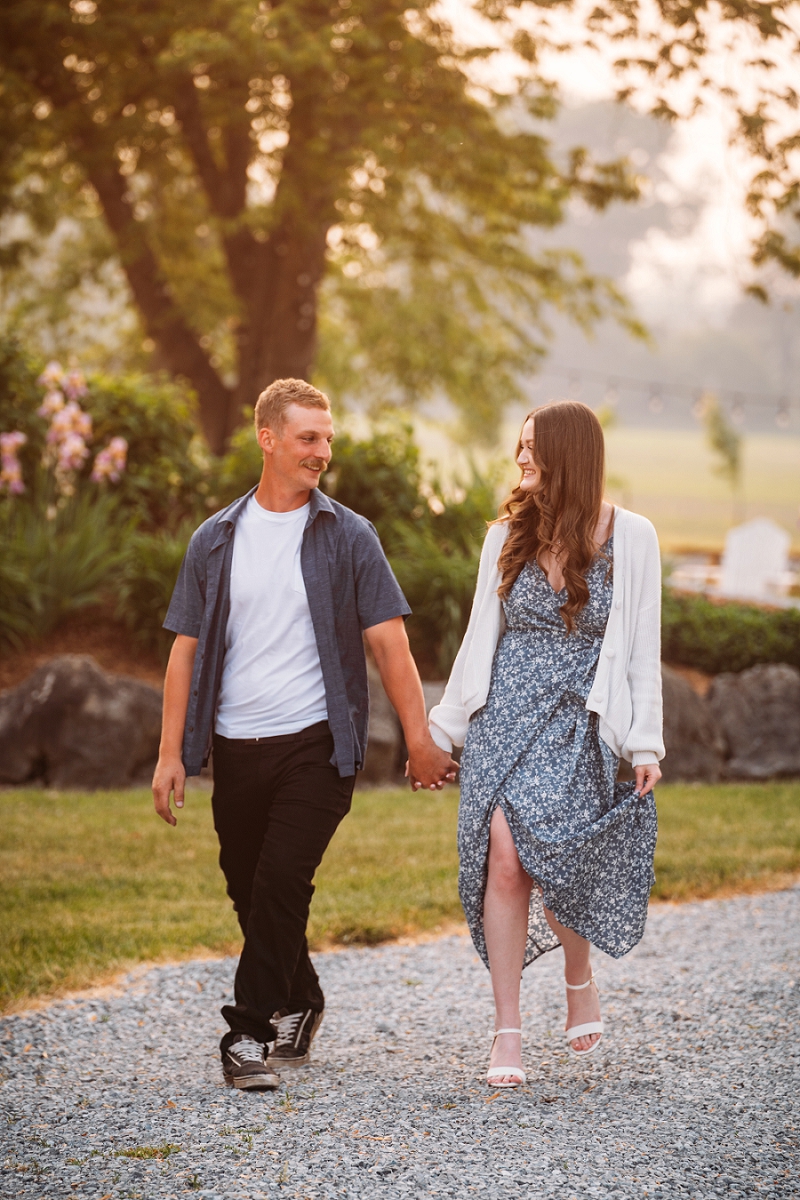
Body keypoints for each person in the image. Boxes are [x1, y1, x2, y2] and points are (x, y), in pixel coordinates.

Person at [152, 378, 457, 1091]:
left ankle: (245, 1034)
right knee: (249, 888)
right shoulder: (215, 539)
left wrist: (418, 738)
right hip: (236, 745)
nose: (322, 451)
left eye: (327, 438)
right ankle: (303, 997)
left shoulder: (348, 536)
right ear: (268, 438)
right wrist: (170, 753)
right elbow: (184, 651)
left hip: (318, 746)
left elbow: (389, 644)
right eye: (308, 438)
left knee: (282, 881)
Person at [427, 400, 663, 1088]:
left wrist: (644, 744)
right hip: (505, 715)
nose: (521, 457)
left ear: (570, 453)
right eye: (520, 445)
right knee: (504, 858)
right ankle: (507, 1028)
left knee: (559, 855)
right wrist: (443, 731)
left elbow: (641, 650)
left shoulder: (633, 536)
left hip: (580, 720)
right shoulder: (505, 536)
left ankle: (578, 976)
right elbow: (480, 638)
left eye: (533, 446)